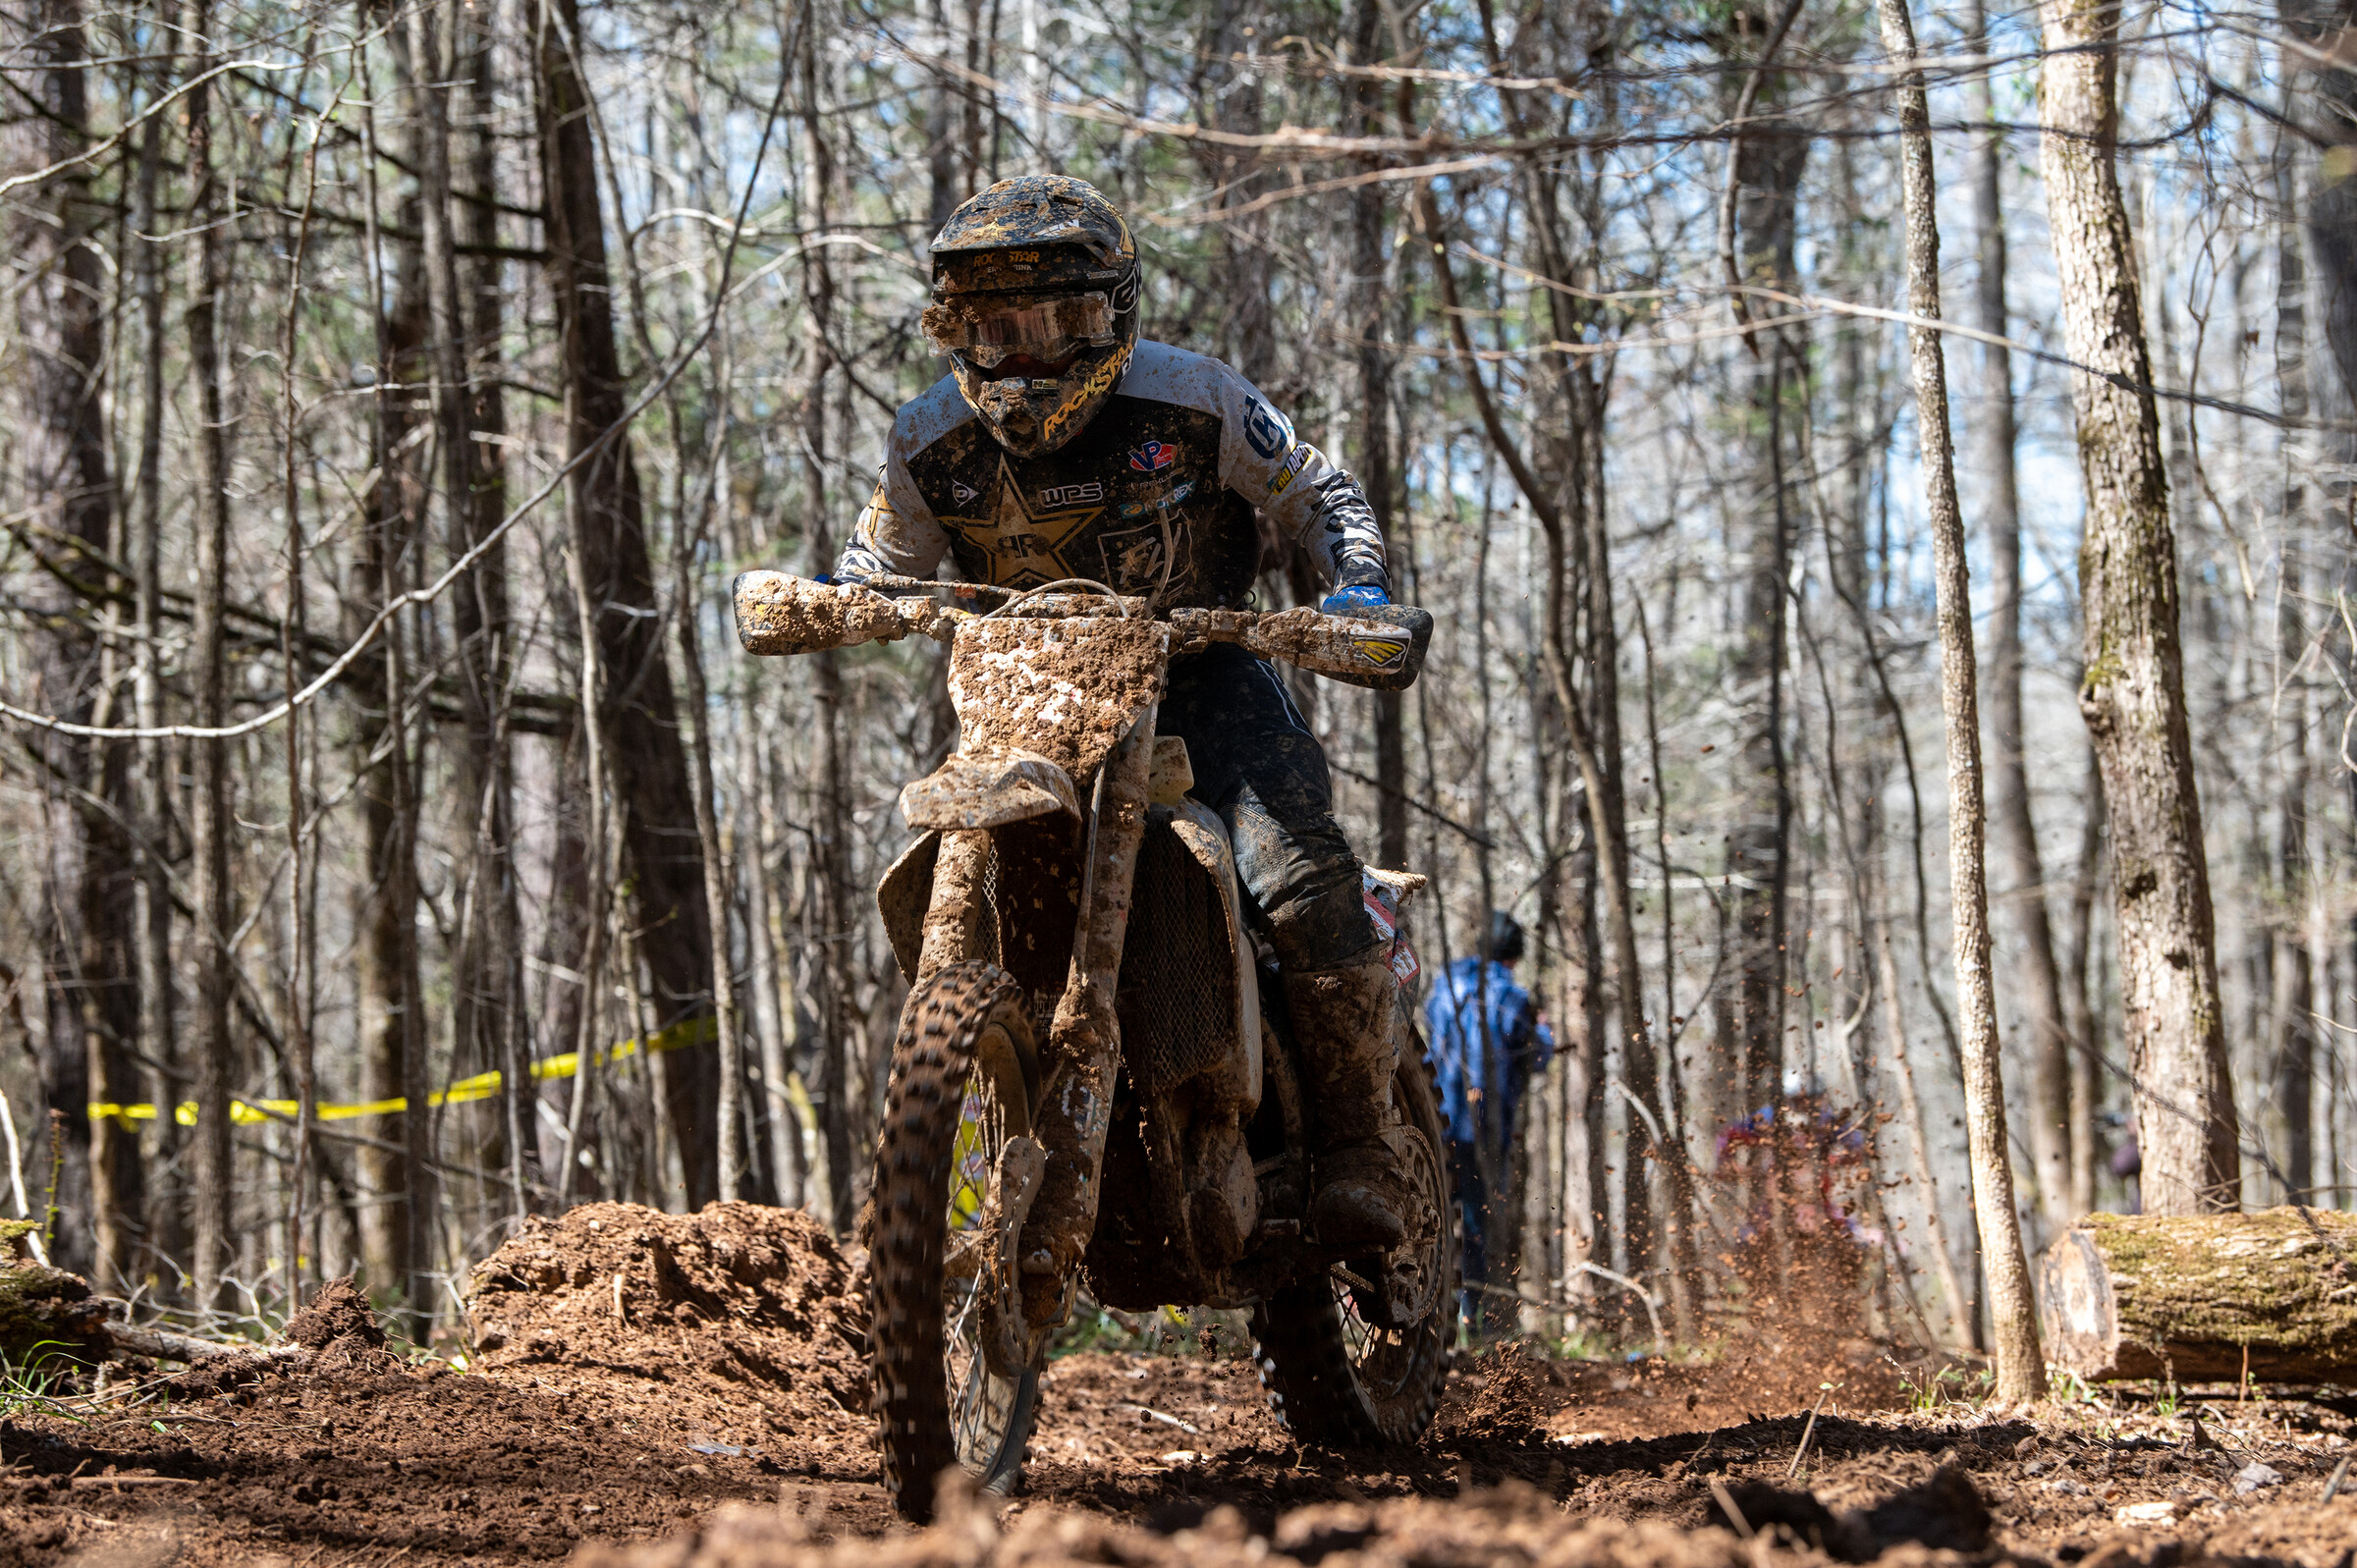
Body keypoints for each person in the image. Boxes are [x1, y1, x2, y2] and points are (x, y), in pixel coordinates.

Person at [829, 175, 1413, 1248]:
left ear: (1117, 311)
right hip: (1028, 698)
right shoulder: (927, 439)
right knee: (954, 846)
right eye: (1002, 330)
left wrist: (1357, 589)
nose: (1035, 356)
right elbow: (875, 570)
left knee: (1292, 871)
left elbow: (1318, 491)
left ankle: (1365, 1145)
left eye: (1064, 323)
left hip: (1202, 675)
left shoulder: (1195, 396)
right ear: (957, 330)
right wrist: (829, 605)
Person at [1424, 911, 1554, 1331]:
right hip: (1482, 1127)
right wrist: (1545, 1031)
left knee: (1433, 1217)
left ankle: (1430, 1319)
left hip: (1434, 1118)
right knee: (1478, 1223)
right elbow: (1536, 1056)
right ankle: (1473, 1318)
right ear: (1512, 958)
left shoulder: (1444, 985)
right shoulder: (1510, 998)